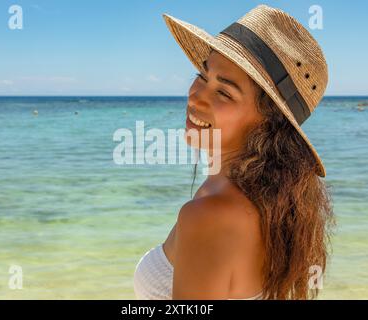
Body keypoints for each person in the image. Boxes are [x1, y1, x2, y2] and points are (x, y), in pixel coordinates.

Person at [134, 4, 335, 300]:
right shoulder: (271, 203)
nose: (196, 95)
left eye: (224, 92)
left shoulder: (211, 216)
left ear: (268, 122)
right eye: (203, 76)